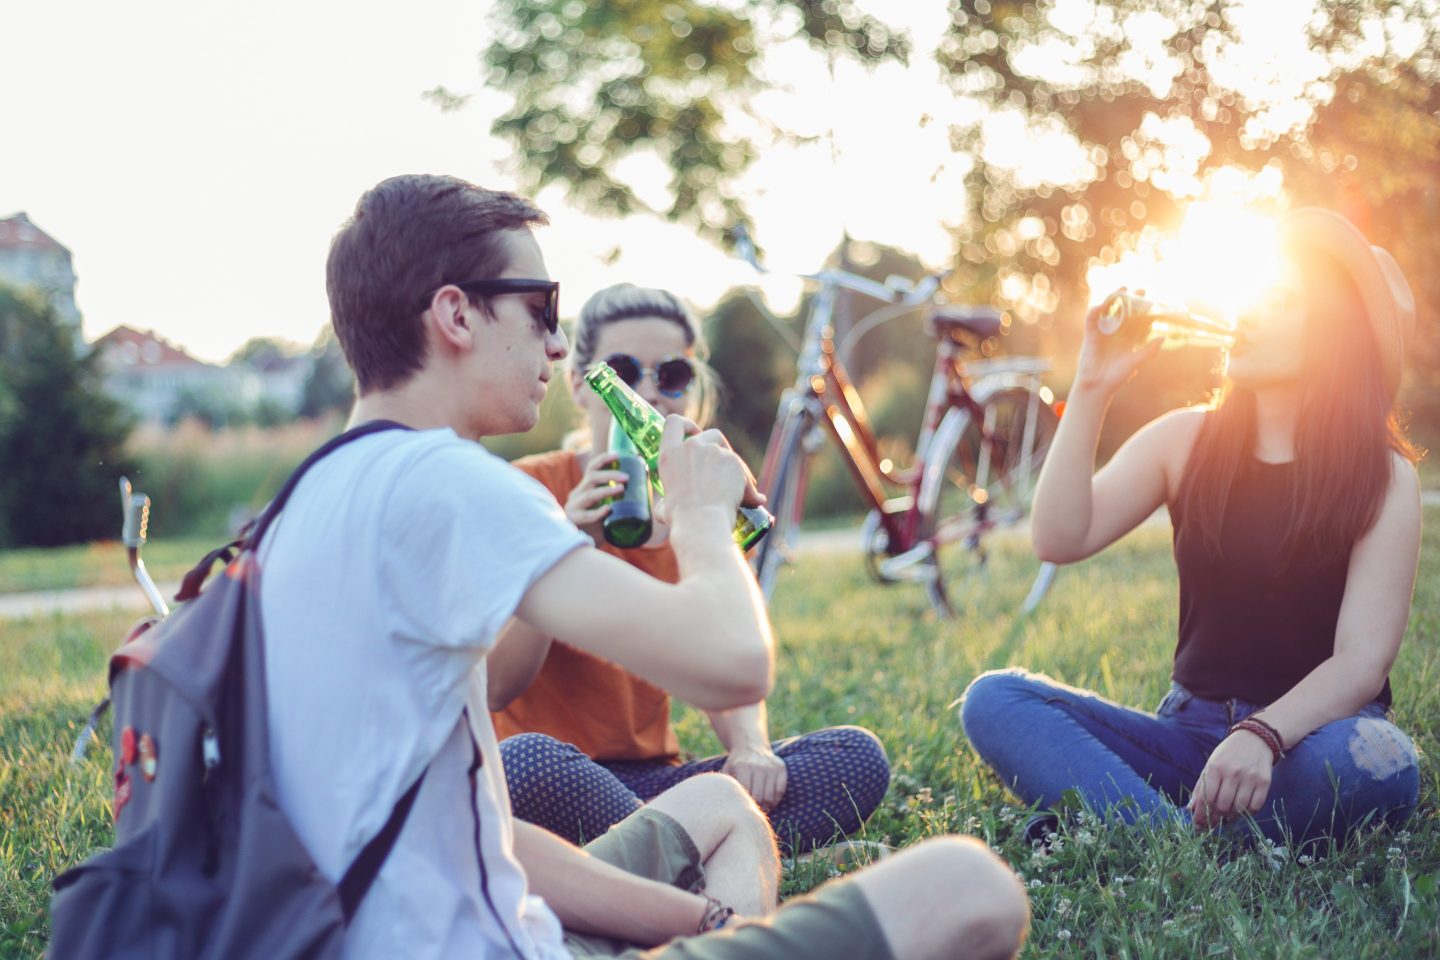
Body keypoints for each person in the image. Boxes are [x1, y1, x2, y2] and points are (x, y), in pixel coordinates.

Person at [259, 173, 1028, 960]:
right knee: (970, 889)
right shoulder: (463, 487)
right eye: (540, 309)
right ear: (456, 314)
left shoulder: (300, 503)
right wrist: (701, 518)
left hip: (442, 913)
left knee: (724, 800)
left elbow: (483, 835)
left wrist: (704, 925)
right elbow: (734, 664)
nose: (556, 343)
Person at [960, 208, 1422, 848]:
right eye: (1252, 296)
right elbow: (1060, 537)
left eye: (1281, 300)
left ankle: (1133, 827)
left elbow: (1363, 662)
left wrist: (1261, 734)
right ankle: (1190, 841)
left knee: (1378, 759)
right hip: (1189, 737)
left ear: (1334, 331)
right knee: (997, 701)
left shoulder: (1383, 477)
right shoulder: (1185, 439)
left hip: (1312, 737)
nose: (1249, 314)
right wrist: (1091, 387)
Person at [490, 283, 890, 856]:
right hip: (555, 777)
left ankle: (662, 855)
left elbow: (726, 654)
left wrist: (751, 746)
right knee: (522, 764)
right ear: (581, 385)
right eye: (624, 371)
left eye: (672, 373)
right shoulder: (529, 489)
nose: (650, 392)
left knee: (853, 757)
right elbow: (498, 684)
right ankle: (723, 849)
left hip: (658, 782)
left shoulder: (700, 498)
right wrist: (565, 543)